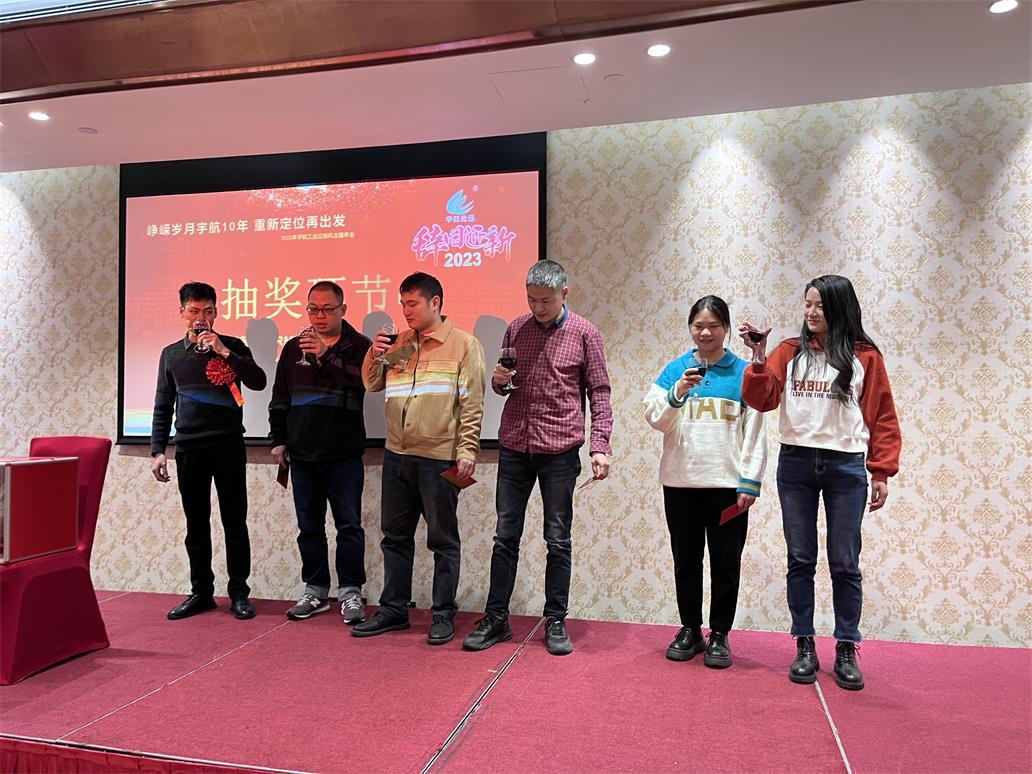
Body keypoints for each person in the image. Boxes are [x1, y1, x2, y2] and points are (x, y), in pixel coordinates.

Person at [740, 275, 900, 691]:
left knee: (845, 560)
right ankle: (804, 644)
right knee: (801, 558)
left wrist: (881, 470)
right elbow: (761, 399)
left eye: (820, 306)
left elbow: (882, 414)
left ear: (839, 308)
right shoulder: (788, 351)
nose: (811, 313)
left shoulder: (865, 356)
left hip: (846, 466)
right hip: (795, 463)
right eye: (807, 305)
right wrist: (758, 357)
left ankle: (846, 646)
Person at [462, 259, 612, 656]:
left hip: (560, 450)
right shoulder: (516, 328)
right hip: (515, 445)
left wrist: (600, 445)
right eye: (531, 300)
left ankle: (555, 620)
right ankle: (496, 618)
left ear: (564, 293)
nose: (538, 308)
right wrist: (498, 382)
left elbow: (599, 392)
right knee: (504, 536)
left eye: (545, 301)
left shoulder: (585, 333)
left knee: (557, 539)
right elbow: (504, 387)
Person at [353, 272, 485, 646]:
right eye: (402, 303)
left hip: (440, 458)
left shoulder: (464, 345)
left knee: (443, 540)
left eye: (412, 303)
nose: (405, 311)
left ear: (435, 302)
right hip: (397, 455)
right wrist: (375, 353)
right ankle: (394, 609)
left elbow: (472, 404)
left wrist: (467, 451)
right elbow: (372, 383)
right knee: (395, 538)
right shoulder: (401, 344)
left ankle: (442, 613)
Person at [644, 296, 767, 668]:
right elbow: (656, 419)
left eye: (713, 325)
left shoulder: (744, 372)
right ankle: (690, 629)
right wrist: (679, 391)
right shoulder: (675, 370)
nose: (705, 332)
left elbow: (755, 430)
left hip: (727, 486)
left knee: (726, 562)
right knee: (686, 560)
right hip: (680, 482)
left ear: (726, 328)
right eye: (698, 325)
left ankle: (720, 634)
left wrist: (750, 481)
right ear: (690, 328)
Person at [150, 282, 267, 620]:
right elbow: (163, 404)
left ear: (216, 313)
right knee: (196, 524)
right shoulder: (171, 354)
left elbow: (258, 381)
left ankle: (239, 593)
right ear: (182, 312)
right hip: (189, 447)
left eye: (208, 311)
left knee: (235, 521)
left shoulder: (233, 346)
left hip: (228, 444)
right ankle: (201, 592)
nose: (201, 317)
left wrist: (224, 352)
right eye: (194, 311)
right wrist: (158, 450)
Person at [269, 281, 371, 625]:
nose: (319, 316)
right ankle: (315, 590)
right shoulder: (293, 348)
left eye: (327, 309)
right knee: (309, 527)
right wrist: (278, 440)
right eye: (313, 309)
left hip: (344, 454)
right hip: (302, 454)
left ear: (343, 309)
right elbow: (280, 398)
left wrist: (326, 355)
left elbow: (364, 383)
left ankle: (351, 591)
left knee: (349, 526)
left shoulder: (360, 346)